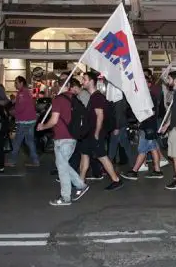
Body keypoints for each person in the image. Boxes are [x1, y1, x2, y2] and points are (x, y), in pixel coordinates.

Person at [37, 78, 90, 206]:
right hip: (72, 137)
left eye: (56, 86)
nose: (55, 89)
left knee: (62, 168)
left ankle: (66, 197)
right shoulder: (74, 99)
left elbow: (54, 120)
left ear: (61, 86)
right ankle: (80, 185)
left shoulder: (58, 99)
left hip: (62, 137)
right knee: (63, 165)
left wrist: (43, 127)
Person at [78, 71, 123, 191]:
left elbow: (100, 115)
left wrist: (97, 133)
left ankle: (116, 180)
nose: (82, 81)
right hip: (89, 133)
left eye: (85, 79)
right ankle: (81, 182)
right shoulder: (93, 97)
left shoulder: (97, 97)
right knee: (84, 155)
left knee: (102, 156)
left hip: (95, 133)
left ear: (91, 81)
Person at [7, 76, 39, 167]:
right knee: (29, 141)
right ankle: (35, 160)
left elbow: (20, 108)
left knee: (17, 141)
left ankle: (12, 161)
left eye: (16, 82)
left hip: (24, 121)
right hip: (31, 120)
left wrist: (12, 112)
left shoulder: (21, 93)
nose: (15, 84)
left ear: (21, 83)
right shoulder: (27, 92)